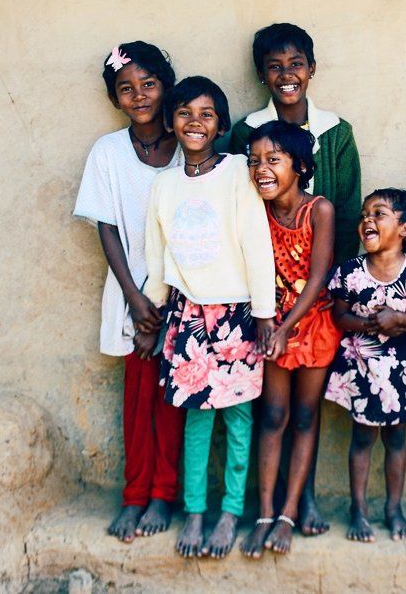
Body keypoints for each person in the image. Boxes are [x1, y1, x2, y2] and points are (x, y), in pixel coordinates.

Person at [229, 21, 362, 535]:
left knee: (306, 410)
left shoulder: (336, 132)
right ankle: (270, 504)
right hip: (266, 301)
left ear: (312, 69)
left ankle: (300, 500)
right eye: (275, 66)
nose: (287, 74)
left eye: (296, 64)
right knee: (274, 410)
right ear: (261, 74)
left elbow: (346, 212)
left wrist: (335, 290)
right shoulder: (247, 131)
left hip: (316, 299)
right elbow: (238, 208)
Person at [142, 76, 274, 559]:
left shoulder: (238, 171)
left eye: (206, 114)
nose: (194, 122)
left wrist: (264, 312)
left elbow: (257, 242)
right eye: (184, 113)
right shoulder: (164, 185)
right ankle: (195, 511)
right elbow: (156, 253)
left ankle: (231, 512)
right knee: (197, 420)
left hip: (238, 315)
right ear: (171, 122)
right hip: (189, 319)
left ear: (221, 126)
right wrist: (153, 313)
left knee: (239, 420)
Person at [73, 42, 184, 543]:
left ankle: (164, 495)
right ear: (113, 98)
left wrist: (164, 300)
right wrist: (135, 300)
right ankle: (135, 494)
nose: (139, 95)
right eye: (126, 88)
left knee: (174, 399)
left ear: (166, 86)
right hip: (132, 296)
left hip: (184, 294)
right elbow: (108, 228)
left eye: (149, 84)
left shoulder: (190, 143)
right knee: (139, 402)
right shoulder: (108, 152)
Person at [239, 121, 342, 559]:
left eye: (273, 159)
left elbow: (318, 277)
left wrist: (284, 328)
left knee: (303, 416)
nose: (261, 168)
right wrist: (269, 324)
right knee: (273, 415)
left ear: (299, 166)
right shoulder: (253, 209)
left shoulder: (319, 210)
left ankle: (290, 511)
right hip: (272, 325)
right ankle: (265, 512)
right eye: (254, 161)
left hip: (312, 324)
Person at [325, 189, 406, 542]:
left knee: (396, 438)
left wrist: (400, 318)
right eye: (364, 214)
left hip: (402, 372)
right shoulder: (349, 272)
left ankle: (394, 509)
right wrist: (372, 324)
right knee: (362, 438)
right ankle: (358, 510)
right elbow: (339, 316)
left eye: (378, 214)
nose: (367, 220)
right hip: (363, 368)